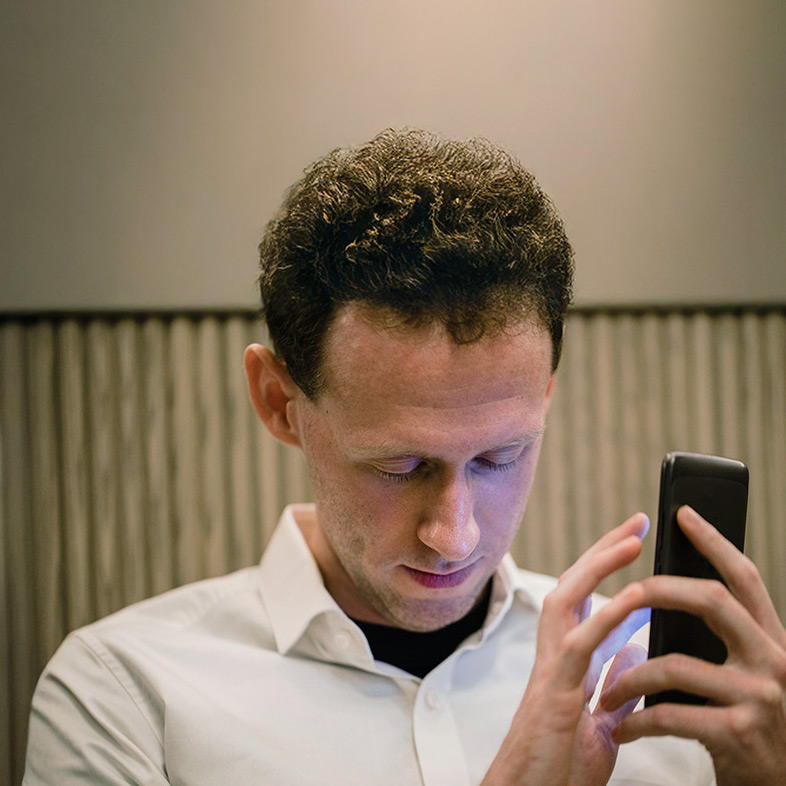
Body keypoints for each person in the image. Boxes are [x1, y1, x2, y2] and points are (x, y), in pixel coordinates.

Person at [23, 129, 785, 785]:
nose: (453, 536)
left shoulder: (674, 689)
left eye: (499, 457)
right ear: (278, 401)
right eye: (399, 467)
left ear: (546, 393)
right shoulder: (122, 693)